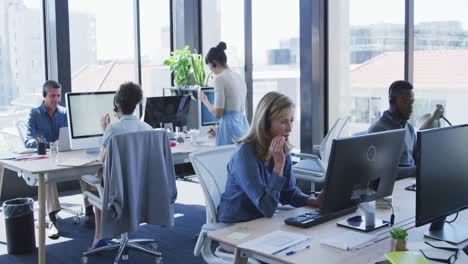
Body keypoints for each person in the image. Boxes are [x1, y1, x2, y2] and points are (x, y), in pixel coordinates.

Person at [217, 91, 320, 223]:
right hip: (236, 224)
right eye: (284, 122)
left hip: (262, 221)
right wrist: (278, 166)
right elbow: (267, 208)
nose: (289, 128)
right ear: (265, 123)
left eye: (291, 121)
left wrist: (313, 201)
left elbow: (287, 192)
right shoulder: (245, 154)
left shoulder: (281, 149)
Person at [25, 80, 94, 239]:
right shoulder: (34, 114)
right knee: (47, 177)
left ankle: (90, 211)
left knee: (88, 167)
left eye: (58, 95)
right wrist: (47, 144)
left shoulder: (64, 112)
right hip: (47, 157)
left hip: (66, 155)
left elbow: (73, 134)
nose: (56, 99)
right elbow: (28, 140)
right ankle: (52, 220)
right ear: (44, 96)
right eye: (52, 96)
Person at [88, 81, 153, 250]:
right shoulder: (147, 128)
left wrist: (105, 129)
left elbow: (102, 160)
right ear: (136, 103)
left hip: (117, 193)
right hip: (140, 188)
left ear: (117, 104)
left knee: (94, 180)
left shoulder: (112, 129)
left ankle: (99, 236)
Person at [199, 41, 249, 146]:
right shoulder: (239, 77)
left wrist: (205, 100)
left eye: (210, 68)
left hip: (229, 130)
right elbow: (235, 112)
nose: (212, 71)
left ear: (213, 63)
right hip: (243, 127)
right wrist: (219, 129)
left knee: (224, 161)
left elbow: (218, 113)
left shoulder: (220, 79)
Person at [368, 80, 416, 177]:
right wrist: (415, 171)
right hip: (394, 186)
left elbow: (417, 157)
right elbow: (381, 172)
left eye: (412, 102)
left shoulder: (409, 127)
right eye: (406, 102)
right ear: (392, 101)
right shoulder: (378, 130)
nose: (411, 107)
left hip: (409, 181)